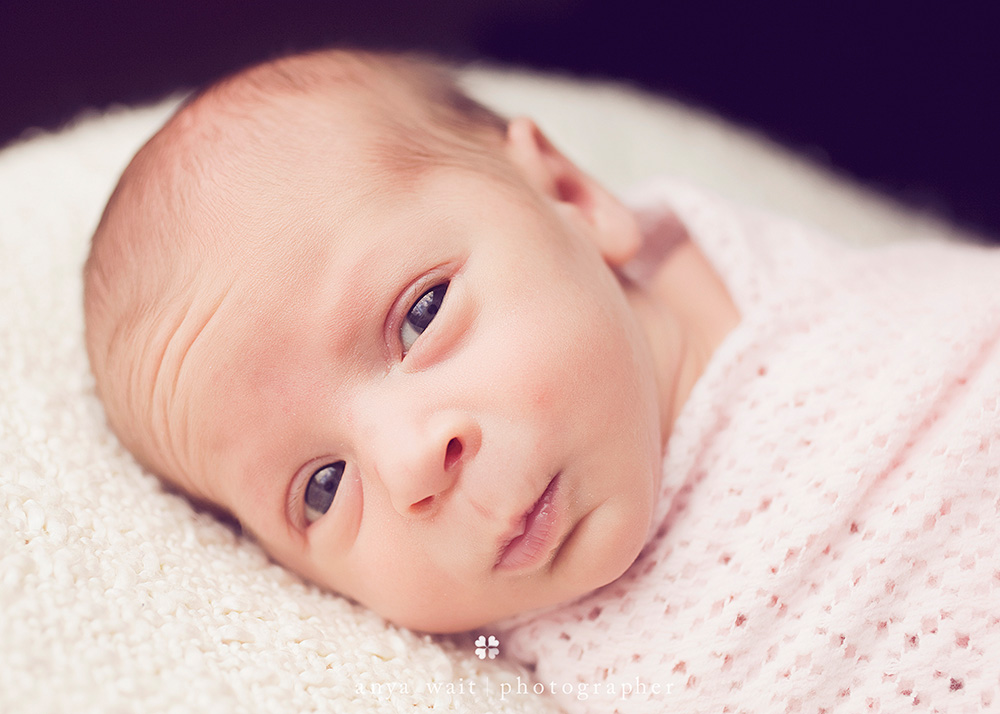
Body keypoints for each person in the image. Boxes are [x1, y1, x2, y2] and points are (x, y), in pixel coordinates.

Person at [83, 49, 1000, 712]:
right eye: (322, 487)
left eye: (421, 315)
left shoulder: (857, 331)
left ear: (568, 193)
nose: (411, 470)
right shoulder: (486, 647)